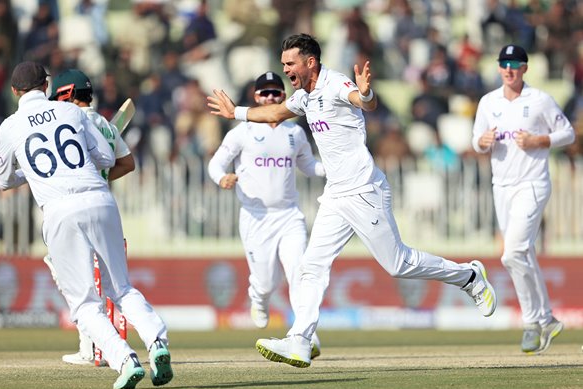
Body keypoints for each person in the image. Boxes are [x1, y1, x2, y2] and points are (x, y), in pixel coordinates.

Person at [207, 33, 497, 368]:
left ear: (310, 62)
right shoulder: (304, 96)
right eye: (283, 63)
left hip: (364, 190)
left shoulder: (335, 83)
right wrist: (237, 113)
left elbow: (363, 101)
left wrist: (367, 92)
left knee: (398, 264)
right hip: (335, 194)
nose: (285, 69)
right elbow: (273, 114)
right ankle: (300, 340)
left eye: (290, 63)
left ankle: (469, 276)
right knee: (311, 266)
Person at [0, 61, 173, 389]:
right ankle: (157, 342)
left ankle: (124, 360)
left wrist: (32, 173)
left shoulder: (9, 126)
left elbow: (4, 181)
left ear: (14, 92)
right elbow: (106, 158)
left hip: (59, 210)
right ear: (46, 86)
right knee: (121, 288)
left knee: (85, 304)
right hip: (98, 198)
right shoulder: (73, 114)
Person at [207, 71, 325, 358]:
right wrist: (222, 178)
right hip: (255, 217)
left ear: (284, 97)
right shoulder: (241, 133)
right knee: (266, 282)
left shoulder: (295, 133)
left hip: (289, 215)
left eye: (276, 93)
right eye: (265, 93)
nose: (271, 97)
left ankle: (305, 334)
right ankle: (258, 298)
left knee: (300, 272)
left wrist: (335, 169)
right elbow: (215, 165)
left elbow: (309, 168)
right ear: (256, 98)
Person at [472, 44, 574, 354]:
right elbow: (476, 141)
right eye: (504, 63)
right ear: (499, 67)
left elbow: (568, 133)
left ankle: (533, 321)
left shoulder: (540, 100)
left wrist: (539, 140)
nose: (509, 68)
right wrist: (482, 141)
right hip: (501, 186)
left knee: (511, 252)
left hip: (532, 184)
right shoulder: (488, 102)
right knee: (523, 254)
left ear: (525, 68)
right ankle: (546, 321)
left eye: (515, 63)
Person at [45, 68, 135, 366]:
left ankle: (93, 348)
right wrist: (102, 178)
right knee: (100, 282)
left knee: (79, 280)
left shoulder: (75, 121)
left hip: (73, 208)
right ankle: (94, 346)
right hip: (102, 207)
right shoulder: (105, 126)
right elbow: (127, 163)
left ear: (67, 94)